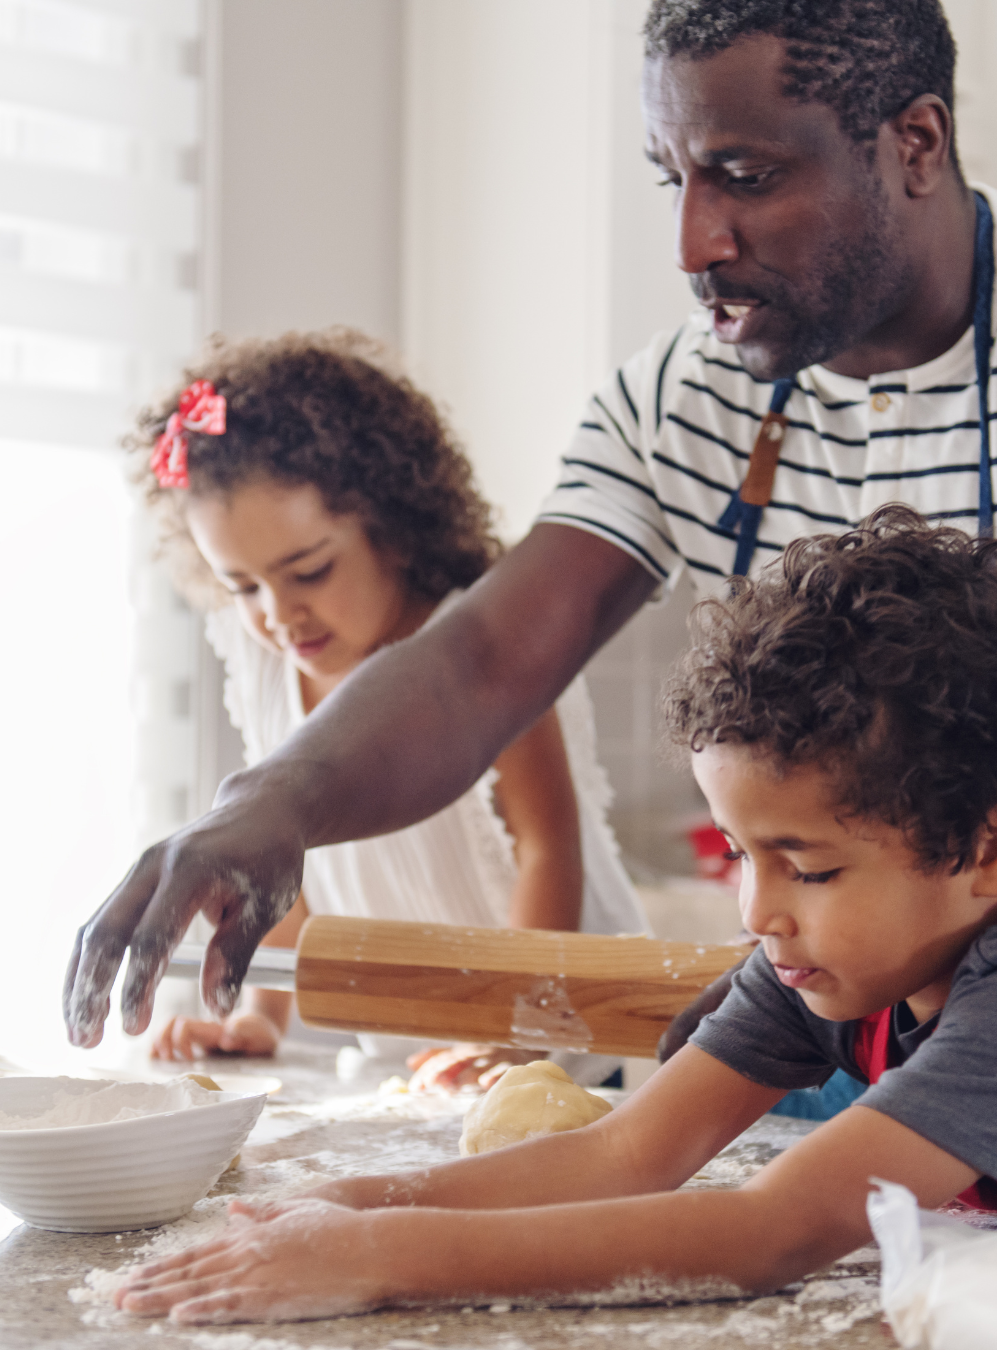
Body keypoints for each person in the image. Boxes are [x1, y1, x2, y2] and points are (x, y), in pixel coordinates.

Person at [64, 0, 997, 1052]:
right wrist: (271, 802)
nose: (695, 242)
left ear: (914, 143)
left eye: (747, 176)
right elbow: (480, 662)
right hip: (840, 1046)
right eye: (671, 177)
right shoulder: (679, 397)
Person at [111, 507, 997, 1325]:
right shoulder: (825, 959)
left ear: (992, 850)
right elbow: (627, 1151)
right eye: (742, 856)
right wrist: (343, 1204)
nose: (758, 912)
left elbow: (770, 1232)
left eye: (810, 869)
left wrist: (382, 1256)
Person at [129, 329, 646, 1085]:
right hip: (407, 1051)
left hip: (566, 1044)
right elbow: (287, 867)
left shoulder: (483, 655)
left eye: (309, 571)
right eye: (243, 586)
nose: (279, 614)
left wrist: (516, 1034)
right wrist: (257, 1017)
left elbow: (547, 850)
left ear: (394, 531)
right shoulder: (268, 669)